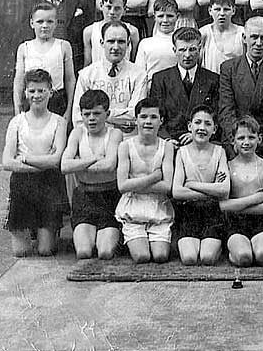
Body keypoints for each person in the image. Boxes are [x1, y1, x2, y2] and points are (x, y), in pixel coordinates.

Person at [2, 69, 68, 256]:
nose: (36, 96)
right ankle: (29, 228)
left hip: (49, 185)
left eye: (41, 91)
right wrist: (42, 163)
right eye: (32, 91)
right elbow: (7, 162)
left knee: (45, 250)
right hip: (22, 184)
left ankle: (45, 230)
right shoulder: (17, 122)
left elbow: (56, 160)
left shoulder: (59, 122)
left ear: (50, 91)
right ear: (25, 93)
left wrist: (25, 158)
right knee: (21, 252)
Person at [61, 89, 123, 260]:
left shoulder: (114, 134)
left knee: (105, 252)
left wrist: (79, 163)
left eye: (97, 113)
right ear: (81, 115)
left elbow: (110, 165)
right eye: (86, 114)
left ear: (107, 114)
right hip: (84, 197)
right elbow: (65, 166)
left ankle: (111, 234)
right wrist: (95, 159)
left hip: (109, 197)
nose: (91, 119)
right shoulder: (78, 133)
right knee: (84, 252)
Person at [219, 16, 263, 161]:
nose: (258, 43)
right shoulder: (229, 68)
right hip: (236, 136)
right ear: (245, 38)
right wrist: (236, 138)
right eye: (254, 37)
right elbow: (226, 109)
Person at [114, 98, 175, 263]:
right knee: (142, 256)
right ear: (136, 120)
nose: (148, 121)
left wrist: (135, 184)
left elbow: (167, 186)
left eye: (153, 117)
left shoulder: (166, 147)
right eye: (143, 117)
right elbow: (122, 185)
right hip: (133, 209)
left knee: (160, 256)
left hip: (158, 208)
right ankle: (129, 237)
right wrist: (154, 177)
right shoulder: (125, 146)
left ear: (161, 121)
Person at [172, 105, 229, 265]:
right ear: (190, 126)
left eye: (207, 124)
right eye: (197, 122)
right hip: (188, 212)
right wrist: (212, 189)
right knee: (189, 258)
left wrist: (191, 184)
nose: (202, 128)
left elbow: (224, 190)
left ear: (215, 129)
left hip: (212, 212)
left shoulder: (220, 151)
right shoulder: (182, 152)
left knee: (207, 258)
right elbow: (177, 191)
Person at [73, 21, 148, 138]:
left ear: (128, 44)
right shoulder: (87, 75)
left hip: (128, 139)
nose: (116, 47)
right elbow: (78, 117)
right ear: (102, 43)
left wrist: (100, 116)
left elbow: (136, 114)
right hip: (95, 139)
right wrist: (119, 120)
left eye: (121, 42)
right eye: (111, 41)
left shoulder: (139, 75)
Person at [220, 116, 263, 266]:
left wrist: (236, 206)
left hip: (262, 222)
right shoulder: (227, 166)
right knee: (244, 257)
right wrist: (255, 198)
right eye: (241, 138)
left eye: (251, 137)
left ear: (259, 139)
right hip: (235, 223)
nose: (246, 142)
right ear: (233, 141)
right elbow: (222, 206)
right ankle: (235, 251)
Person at [149, 27, 219, 147]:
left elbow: (217, 116)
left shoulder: (213, 79)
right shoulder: (160, 79)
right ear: (174, 50)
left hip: (202, 141)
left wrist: (196, 134)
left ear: (200, 49)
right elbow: (154, 114)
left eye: (192, 49)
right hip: (170, 143)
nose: (187, 55)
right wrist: (167, 140)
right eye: (182, 50)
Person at [14, 1, 75, 119]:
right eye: (40, 21)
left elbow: (69, 79)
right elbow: (19, 81)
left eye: (50, 21)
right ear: (32, 23)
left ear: (56, 23)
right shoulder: (24, 48)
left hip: (56, 102)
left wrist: (69, 110)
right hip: (32, 101)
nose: (45, 25)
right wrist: (17, 109)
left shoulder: (63, 46)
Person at [83, 0, 140, 66]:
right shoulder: (90, 31)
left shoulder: (132, 32)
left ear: (124, 9)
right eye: (108, 7)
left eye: (117, 8)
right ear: (101, 6)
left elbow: (134, 63)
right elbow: (87, 64)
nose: (112, 12)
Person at [134, 0, 179, 85]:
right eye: (161, 16)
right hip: (152, 90)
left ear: (177, 16)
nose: (165, 20)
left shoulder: (181, 42)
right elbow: (139, 74)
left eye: (170, 16)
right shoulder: (145, 44)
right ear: (154, 17)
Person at [199, 0, 244, 74]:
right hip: (211, 84)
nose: (222, 13)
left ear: (233, 10)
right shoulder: (204, 33)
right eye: (217, 9)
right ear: (210, 10)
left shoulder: (242, 33)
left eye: (226, 9)